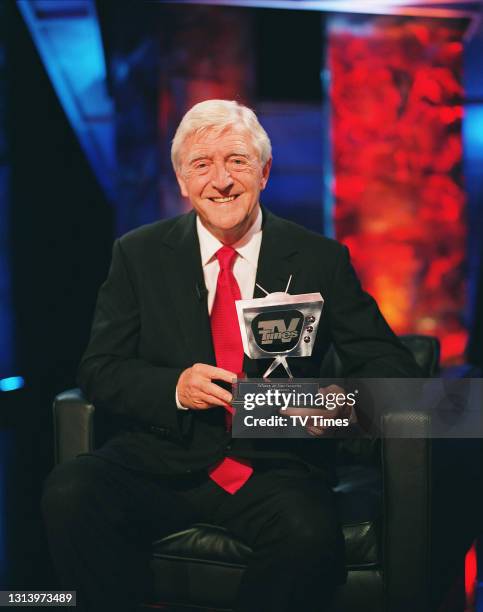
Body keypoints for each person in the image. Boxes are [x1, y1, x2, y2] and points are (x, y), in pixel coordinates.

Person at [42, 99, 421, 612]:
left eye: (237, 161)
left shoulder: (318, 258)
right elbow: (99, 368)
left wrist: (334, 403)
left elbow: (389, 364)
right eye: (202, 165)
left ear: (264, 172)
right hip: (160, 457)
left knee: (308, 532)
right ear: (182, 181)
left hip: (274, 465)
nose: (220, 180)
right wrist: (174, 386)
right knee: (71, 490)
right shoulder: (137, 254)